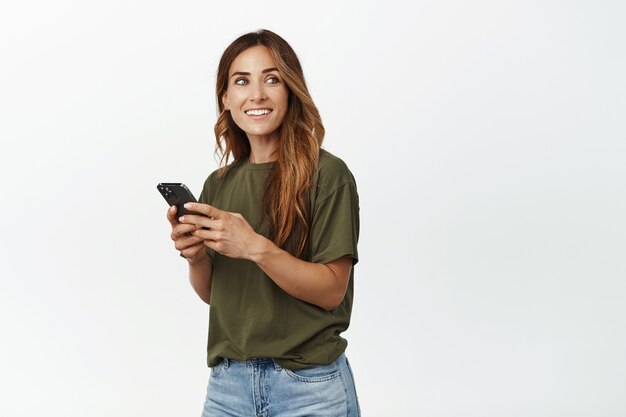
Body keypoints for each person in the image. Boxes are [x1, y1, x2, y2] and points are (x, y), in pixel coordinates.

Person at [166, 29, 361, 417]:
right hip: (228, 387)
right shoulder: (218, 184)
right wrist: (196, 258)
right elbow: (214, 296)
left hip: (309, 387)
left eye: (271, 79)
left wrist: (254, 246)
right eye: (241, 81)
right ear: (226, 98)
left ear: (290, 90)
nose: (256, 94)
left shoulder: (328, 174)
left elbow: (331, 291)